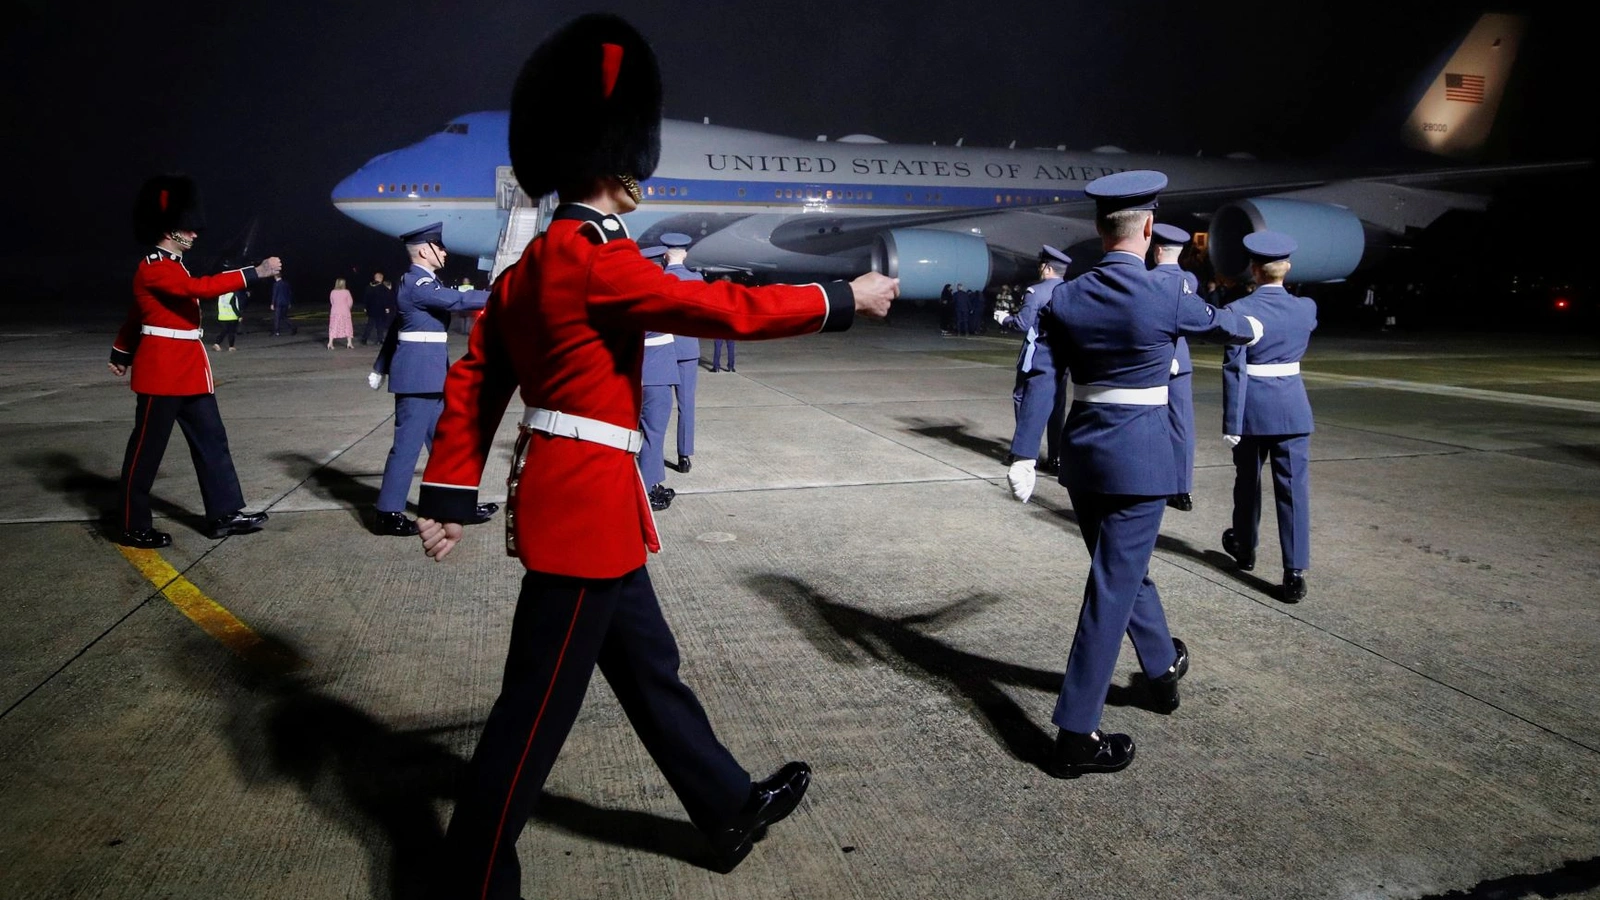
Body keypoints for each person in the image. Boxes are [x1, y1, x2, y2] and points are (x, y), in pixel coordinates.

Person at [409, 15, 897, 898]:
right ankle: (473, 878)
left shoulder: (530, 265)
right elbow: (720, 309)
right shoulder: (594, 258)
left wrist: (448, 493)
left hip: (584, 499)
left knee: (646, 666)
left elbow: (478, 377)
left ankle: (727, 804)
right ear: (610, 157)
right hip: (583, 511)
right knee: (531, 716)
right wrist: (841, 296)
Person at [1025, 170, 1262, 778]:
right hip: (1139, 459)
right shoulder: (1164, 291)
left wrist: (1024, 451)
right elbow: (1223, 323)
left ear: (1100, 229)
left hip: (1083, 453)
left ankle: (1160, 670)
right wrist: (1254, 325)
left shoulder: (1065, 296)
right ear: (1149, 227)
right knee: (1112, 585)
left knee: (1120, 570)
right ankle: (1075, 734)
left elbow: (1043, 376)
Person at [109, 174, 281, 547]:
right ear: (171, 231)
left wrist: (120, 352)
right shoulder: (155, 266)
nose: (195, 235)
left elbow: (139, 316)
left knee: (212, 440)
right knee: (146, 451)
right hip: (162, 373)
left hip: (188, 370)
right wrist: (255, 272)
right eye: (189, 230)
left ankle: (224, 513)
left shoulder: (174, 262)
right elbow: (195, 290)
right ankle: (130, 523)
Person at [368, 221, 499, 536]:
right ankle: (387, 513)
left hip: (431, 378)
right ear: (425, 250)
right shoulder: (417, 283)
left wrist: (380, 365)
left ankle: (455, 507)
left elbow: (395, 332)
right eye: (439, 247)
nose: (444, 252)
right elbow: (456, 301)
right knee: (407, 447)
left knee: (446, 446)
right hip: (417, 379)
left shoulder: (421, 283)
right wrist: (504, 293)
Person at [1220, 231, 1318, 603]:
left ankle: (1245, 548)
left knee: (1248, 483)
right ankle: (1294, 572)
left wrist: (1231, 422)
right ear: (1287, 268)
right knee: (1293, 491)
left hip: (1253, 409)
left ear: (1254, 270)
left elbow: (1234, 367)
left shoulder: (1240, 311)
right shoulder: (1306, 308)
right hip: (1292, 407)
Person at [994, 245, 1071, 487]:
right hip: (1063, 358)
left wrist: (1004, 318)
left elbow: (1023, 323)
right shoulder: (1070, 291)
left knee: (1022, 399)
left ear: (1047, 268)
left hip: (1036, 355)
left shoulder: (1035, 291)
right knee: (1057, 407)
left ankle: (1024, 451)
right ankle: (1056, 457)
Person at [1151, 223, 1200, 512]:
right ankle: (1182, 490)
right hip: (1179, 361)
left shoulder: (1146, 280)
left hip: (1152, 359)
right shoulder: (1189, 281)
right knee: (1181, 426)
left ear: (1157, 250)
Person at [662, 232, 701, 473]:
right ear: (685, 254)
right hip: (688, 349)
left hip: (662, 349)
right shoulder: (696, 280)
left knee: (656, 407)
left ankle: (651, 454)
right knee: (686, 404)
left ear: (665, 256)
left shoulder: (659, 278)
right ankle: (684, 456)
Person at [361, 271, 393, 344]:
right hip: (380, 309)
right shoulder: (382, 288)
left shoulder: (369, 287)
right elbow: (385, 298)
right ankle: (380, 339)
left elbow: (365, 298)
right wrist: (387, 307)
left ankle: (364, 339)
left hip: (371, 309)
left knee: (369, 325)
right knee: (380, 325)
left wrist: (365, 307)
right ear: (381, 278)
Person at [327, 277, 355, 349]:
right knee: (347, 326)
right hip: (345, 311)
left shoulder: (333, 292)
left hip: (335, 311)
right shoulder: (346, 292)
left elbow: (332, 301)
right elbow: (350, 302)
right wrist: (347, 307)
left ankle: (330, 343)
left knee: (333, 326)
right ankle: (349, 343)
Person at [212, 287, 241, 352]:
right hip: (232, 317)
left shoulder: (221, 295)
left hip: (222, 317)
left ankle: (217, 344)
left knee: (224, 331)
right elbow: (234, 306)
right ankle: (231, 346)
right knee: (231, 332)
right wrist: (239, 315)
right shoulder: (231, 295)